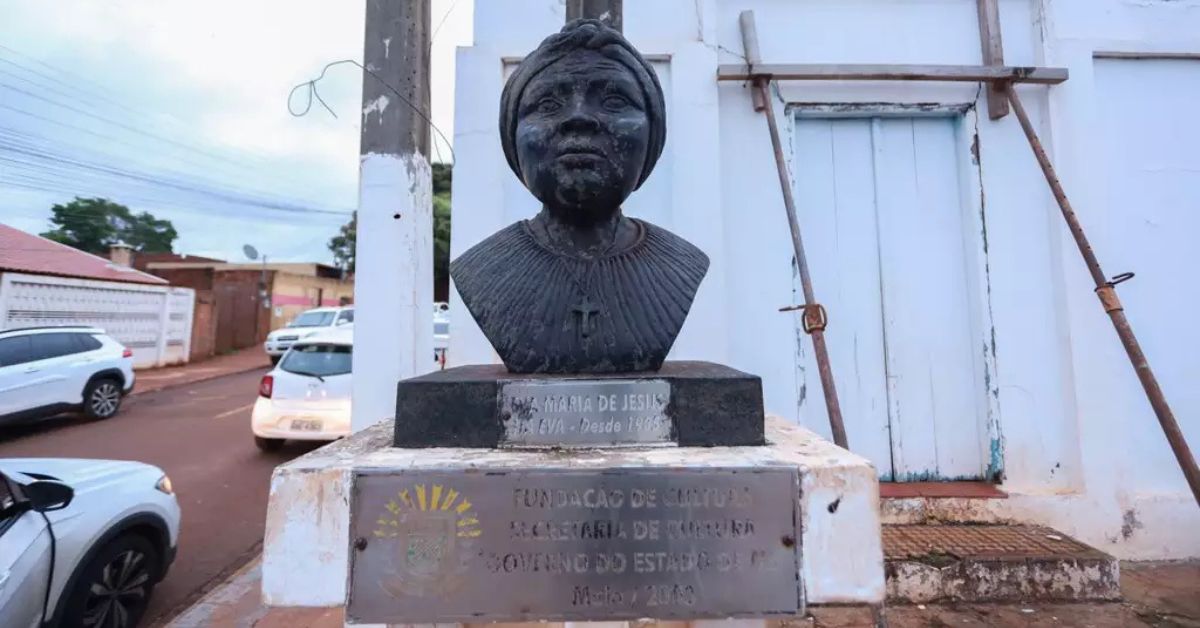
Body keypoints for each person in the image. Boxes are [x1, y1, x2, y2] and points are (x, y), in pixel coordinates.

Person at [451, 19, 708, 373]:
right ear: (513, 135)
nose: (579, 118)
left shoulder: (683, 266)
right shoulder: (479, 271)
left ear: (652, 133)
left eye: (615, 100)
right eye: (547, 103)